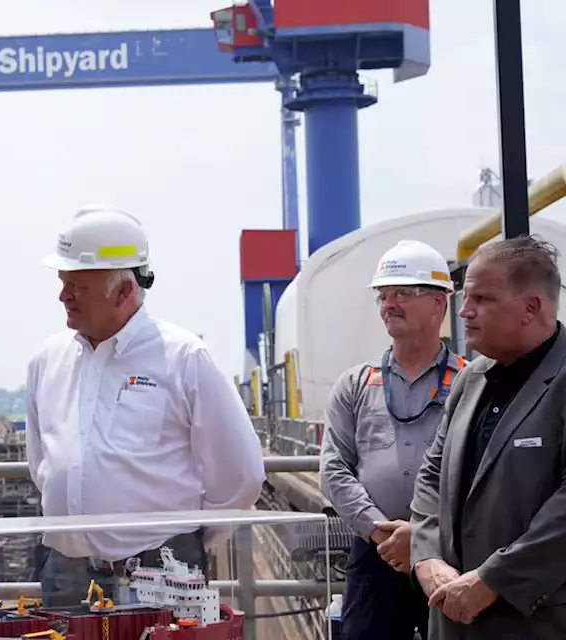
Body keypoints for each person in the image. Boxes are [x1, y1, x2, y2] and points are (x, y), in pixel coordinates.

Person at [25, 205, 265, 607]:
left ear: (123, 291)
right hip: (65, 572)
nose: (63, 295)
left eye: (78, 286)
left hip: (161, 569)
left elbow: (241, 475)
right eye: (63, 282)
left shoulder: (184, 358)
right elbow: (43, 464)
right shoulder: (47, 361)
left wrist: (185, 539)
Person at [410, 235, 566, 638]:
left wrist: (493, 580)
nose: (464, 311)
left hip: (534, 622)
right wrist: (426, 559)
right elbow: (431, 476)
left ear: (531, 307)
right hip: (452, 619)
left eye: (482, 299)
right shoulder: (470, 379)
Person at [319, 240, 465, 640]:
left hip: (451, 553)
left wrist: (419, 537)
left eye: (403, 293)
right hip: (376, 553)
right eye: (383, 296)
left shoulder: (474, 382)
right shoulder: (356, 385)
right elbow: (334, 468)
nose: (389, 304)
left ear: (439, 303)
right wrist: (380, 530)